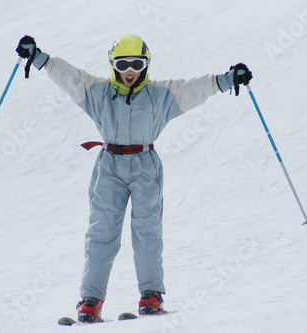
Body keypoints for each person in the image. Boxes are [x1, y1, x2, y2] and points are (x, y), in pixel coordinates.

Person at [16, 34, 252, 322]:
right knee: (101, 233)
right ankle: (91, 300)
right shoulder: (98, 92)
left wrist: (228, 79)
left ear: (146, 65)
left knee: (147, 231)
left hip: (145, 165)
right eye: (123, 63)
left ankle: (151, 295)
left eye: (137, 64)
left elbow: (194, 89)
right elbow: (71, 78)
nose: (130, 70)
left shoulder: (160, 95)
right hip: (109, 167)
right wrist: (39, 58)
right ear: (114, 65)